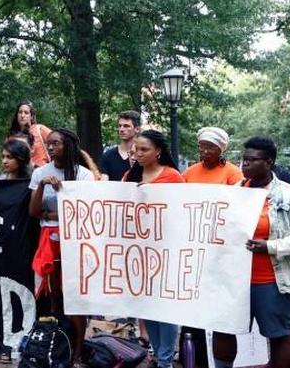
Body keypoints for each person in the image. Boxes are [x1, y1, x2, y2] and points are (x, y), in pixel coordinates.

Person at [212, 136, 290, 368]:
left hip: (271, 280)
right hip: (234, 279)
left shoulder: (289, 196)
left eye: (252, 160)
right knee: (223, 328)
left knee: (278, 334)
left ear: (268, 162)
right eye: (243, 159)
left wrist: (271, 246)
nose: (245, 164)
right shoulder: (234, 192)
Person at [28, 128, 95, 364]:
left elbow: (83, 213)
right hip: (49, 239)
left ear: (69, 145)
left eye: (56, 143)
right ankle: (59, 347)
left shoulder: (83, 175)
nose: (51, 147)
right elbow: (34, 212)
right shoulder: (40, 173)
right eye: (49, 143)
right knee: (54, 295)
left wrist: (58, 203)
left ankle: (77, 351)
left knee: (74, 297)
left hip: (75, 241)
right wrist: (42, 187)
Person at [181, 126, 242, 367]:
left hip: (220, 246)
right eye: (202, 145)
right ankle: (190, 352)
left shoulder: (232, 173)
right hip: (193, 243)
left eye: (211, 147)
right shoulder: (189, 172)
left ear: (221, 149)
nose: (204, 150)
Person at [124, 129, 183, 368]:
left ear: (158, 151)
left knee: (166, 306)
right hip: (138, 251)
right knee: (147, 305)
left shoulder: (172, 176)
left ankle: (166, 359)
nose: (138, 154)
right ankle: (158, 355)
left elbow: (182, 212)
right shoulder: (129, 176)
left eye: (144, 149)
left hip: (166, 250)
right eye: (136, 149)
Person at [99, 110, 140, 182]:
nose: (121, 129)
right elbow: (103, 185)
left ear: (137, 129)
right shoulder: (108, 156)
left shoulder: (144, 155)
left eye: (126, 126)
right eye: (120, 126)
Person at [9, 100, 51, 167]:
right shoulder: (11, 137)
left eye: (26, 113)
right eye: (20, 112)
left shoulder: (40, 129)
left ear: (31, 116)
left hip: (42, 174)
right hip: (22, 176)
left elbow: (58, 143)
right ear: (17, 115)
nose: (22, 115)